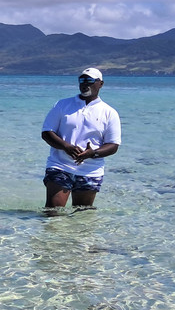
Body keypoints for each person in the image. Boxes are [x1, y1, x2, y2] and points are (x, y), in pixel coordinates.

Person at [40, 67, 121, 209]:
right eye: (82, 80)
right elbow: (47, 133)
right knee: (52, 212)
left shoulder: (109, 112)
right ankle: (51, 232)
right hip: (60, 165)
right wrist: (66, 146)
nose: (85, 84)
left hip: (91, 170)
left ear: (100, 84)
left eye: (90, 80)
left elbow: (113, 145)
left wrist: (93, 153)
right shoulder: (62, 105)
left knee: (81, 216)